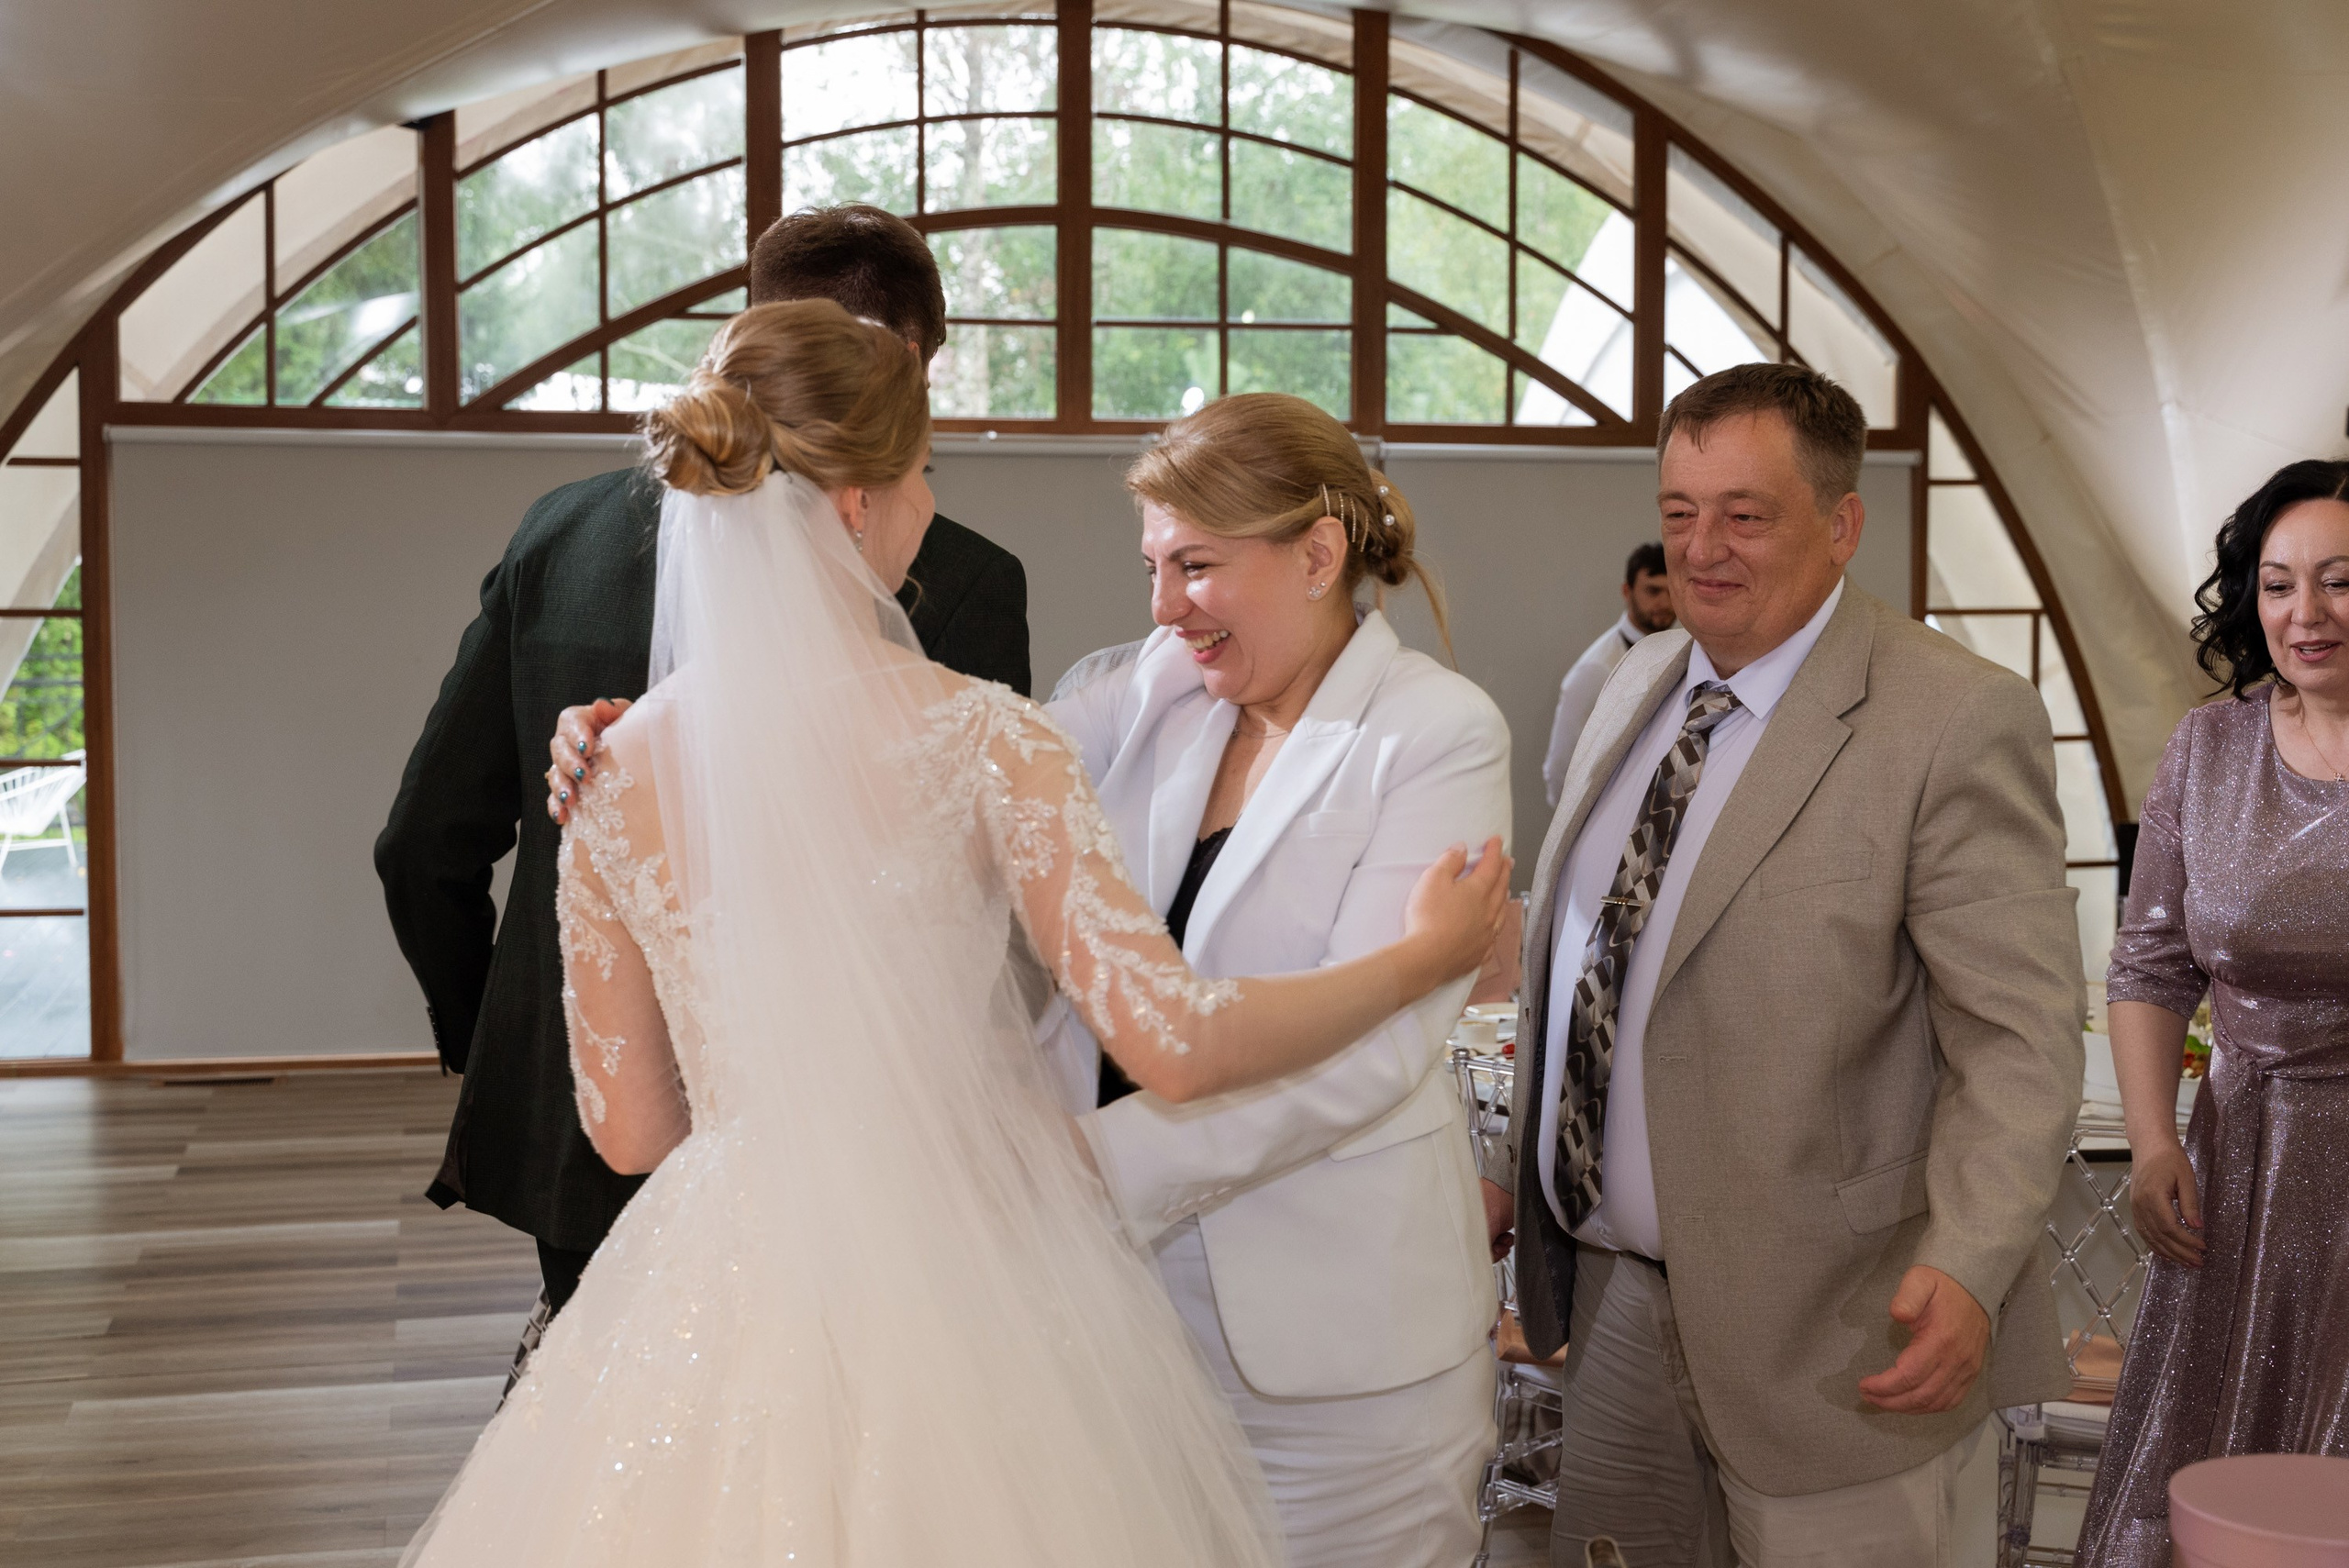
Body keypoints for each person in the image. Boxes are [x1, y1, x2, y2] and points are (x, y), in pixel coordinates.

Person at [399, 299, 1511, 1568]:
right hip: (966, 1272)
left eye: (1191, 565)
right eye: (927, 468)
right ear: (863, 500)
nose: (1160, 607)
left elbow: (632, 1129)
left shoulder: (613, 770)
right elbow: (1177, 1039)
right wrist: (1428, 959)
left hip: (729, 1271)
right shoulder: (992, 734)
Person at [373, 206, 1030, 1348]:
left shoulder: (560, 531)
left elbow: (422, 842)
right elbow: (969, 898)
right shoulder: (965, 576)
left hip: (579, 1123)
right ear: (916, 361)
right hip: (839, 1140)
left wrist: (504, 1039)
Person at [1497, 361, 2083, 1567]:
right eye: (1679, 512)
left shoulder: (1951, 719)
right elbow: (1593, 968)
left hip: (1844, 1330)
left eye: (1744, 514)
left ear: (1842, 522)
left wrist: (1969, 1264)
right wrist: (1523, 1172)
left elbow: (2018, 1041)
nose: (1701, 548)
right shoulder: (1630, 686)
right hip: (1615, 1309)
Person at [1048, 393, 1512, 1566]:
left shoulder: (1436, 732)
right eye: (1153, 566)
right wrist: (665, 743)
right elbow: (959, 762)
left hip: (1340, 1356)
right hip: (1125, 1318)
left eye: (1195, 566)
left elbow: (1368, 1049)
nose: (1163, 610)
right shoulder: (1164, 691)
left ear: (1316, 554)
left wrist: (1082, 1168)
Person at [2075, 459, 2349, 1566]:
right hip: (2239, 1171)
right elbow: (2147, 965)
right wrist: (2150, 1144)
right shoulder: (2208, 747)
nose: (2306, 613)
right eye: (2278, 584)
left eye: (2338, 580)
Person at [1544, 541, 1675, 806]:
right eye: (1653, 591)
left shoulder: (1683, 652)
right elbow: (1561, 765)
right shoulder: (1597, 667)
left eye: (1672, 591)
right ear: (1627, 591)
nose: (1664, 602)